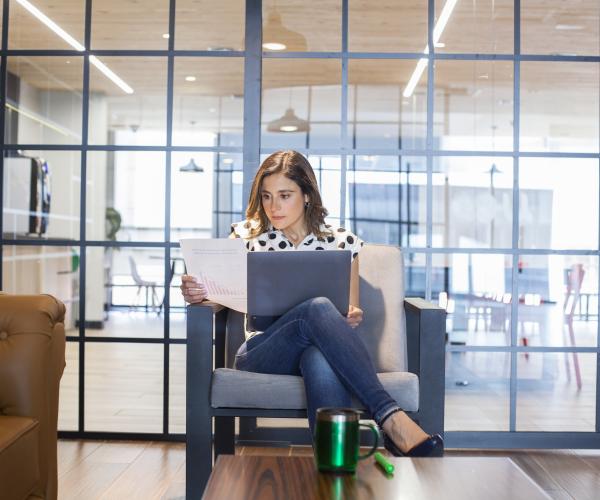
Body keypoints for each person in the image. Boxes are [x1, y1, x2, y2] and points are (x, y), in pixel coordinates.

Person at [180, 150, 442, 456]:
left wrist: (350, 315)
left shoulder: (341, 242)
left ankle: (335, 466)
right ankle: (391, 419)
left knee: (318, 354)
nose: (273, 206)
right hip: (262, 352)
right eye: (266, 197)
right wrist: (198, 291)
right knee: (316, 308)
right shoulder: (246, 237)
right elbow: (217, 293)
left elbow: (351, 309)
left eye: (284, 195)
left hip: (324, 349)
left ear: (306, 195)